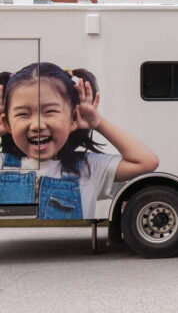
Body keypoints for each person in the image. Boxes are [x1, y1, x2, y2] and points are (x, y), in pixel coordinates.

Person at [0, 62, 159, 219]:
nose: (37, 125)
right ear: (7, 123)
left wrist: (98, 123)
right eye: (23, 114)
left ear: (74, 118)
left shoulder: (88, 169)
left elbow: (146, 162)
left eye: (50, 112)